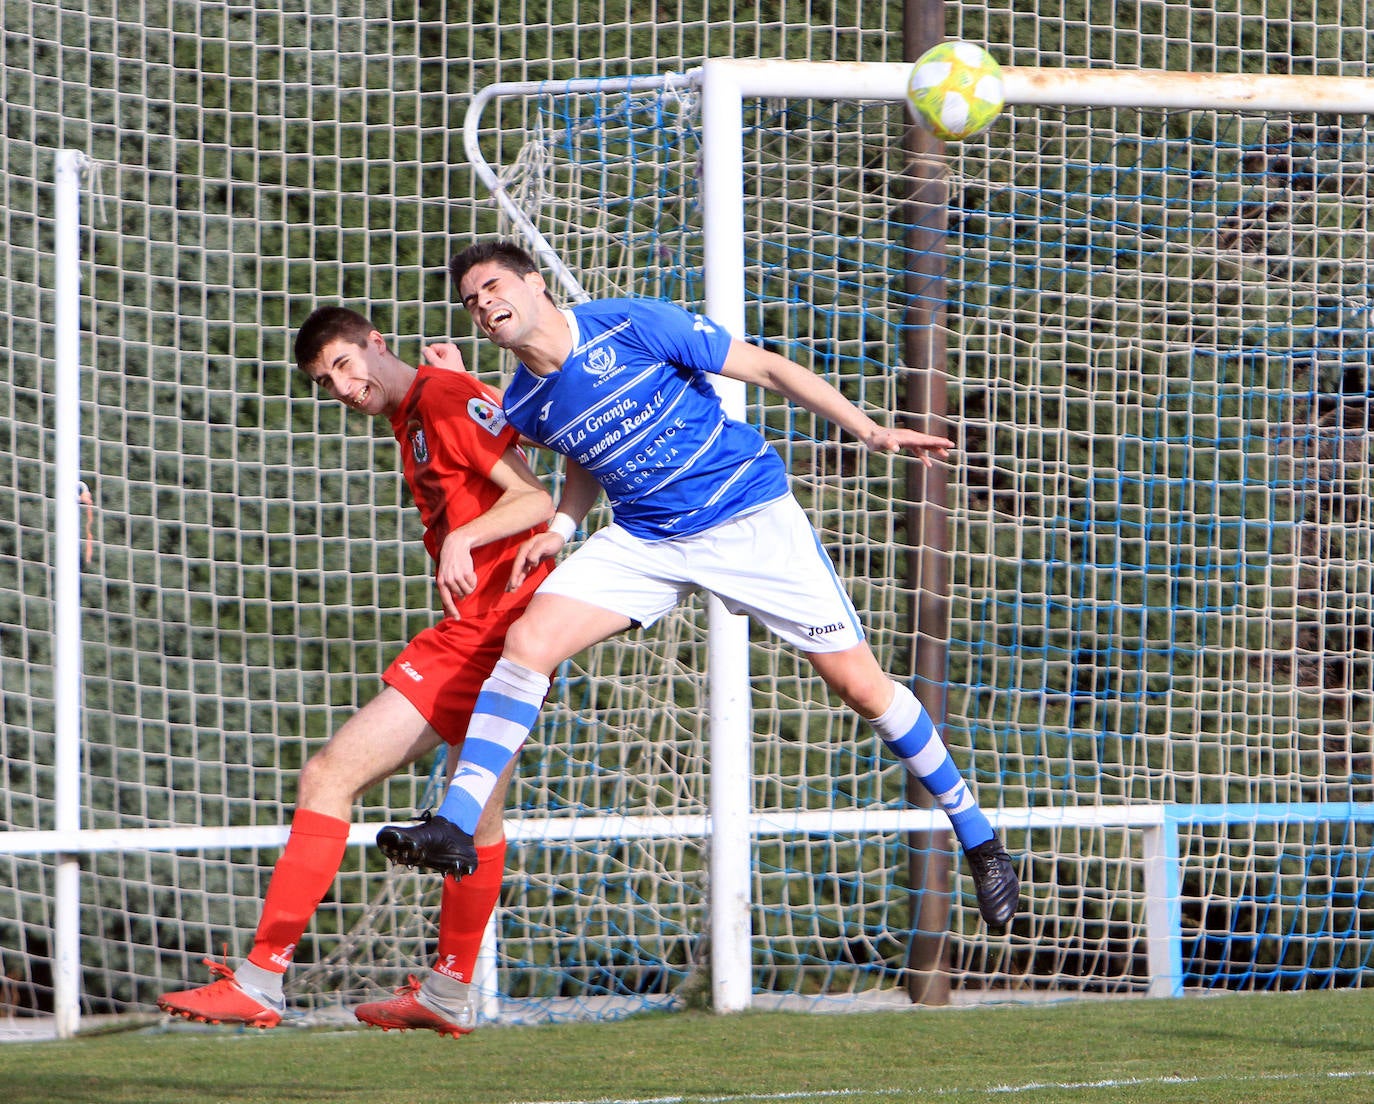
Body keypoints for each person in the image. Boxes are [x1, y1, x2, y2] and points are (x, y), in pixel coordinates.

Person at [377, 240, 1021, 933]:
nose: (484, 305)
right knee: (528, 641)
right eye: (472, 301)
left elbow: (767, 368)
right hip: (648, 540)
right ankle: (456, 823)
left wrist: (868, 430)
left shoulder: (631, 323)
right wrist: (561, 528)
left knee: (863, 689)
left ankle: (978, 837)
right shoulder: (525, 402)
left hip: (747, 517)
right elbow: (580, 457)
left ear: (535, 284)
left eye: (494, 287)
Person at [156, 306, 557, 1035]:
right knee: (479, 818)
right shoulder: (424, 404)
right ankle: (449, 990)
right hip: (509, 629)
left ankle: (262, 978)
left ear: (377, 344)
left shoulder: (435, 398)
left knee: (328, 776)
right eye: (325, 381)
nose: (342, 387)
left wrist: (462, 538)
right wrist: (471, 383)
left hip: (485, 631)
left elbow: (535, 497)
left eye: (345, 364)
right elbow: (517, 434)